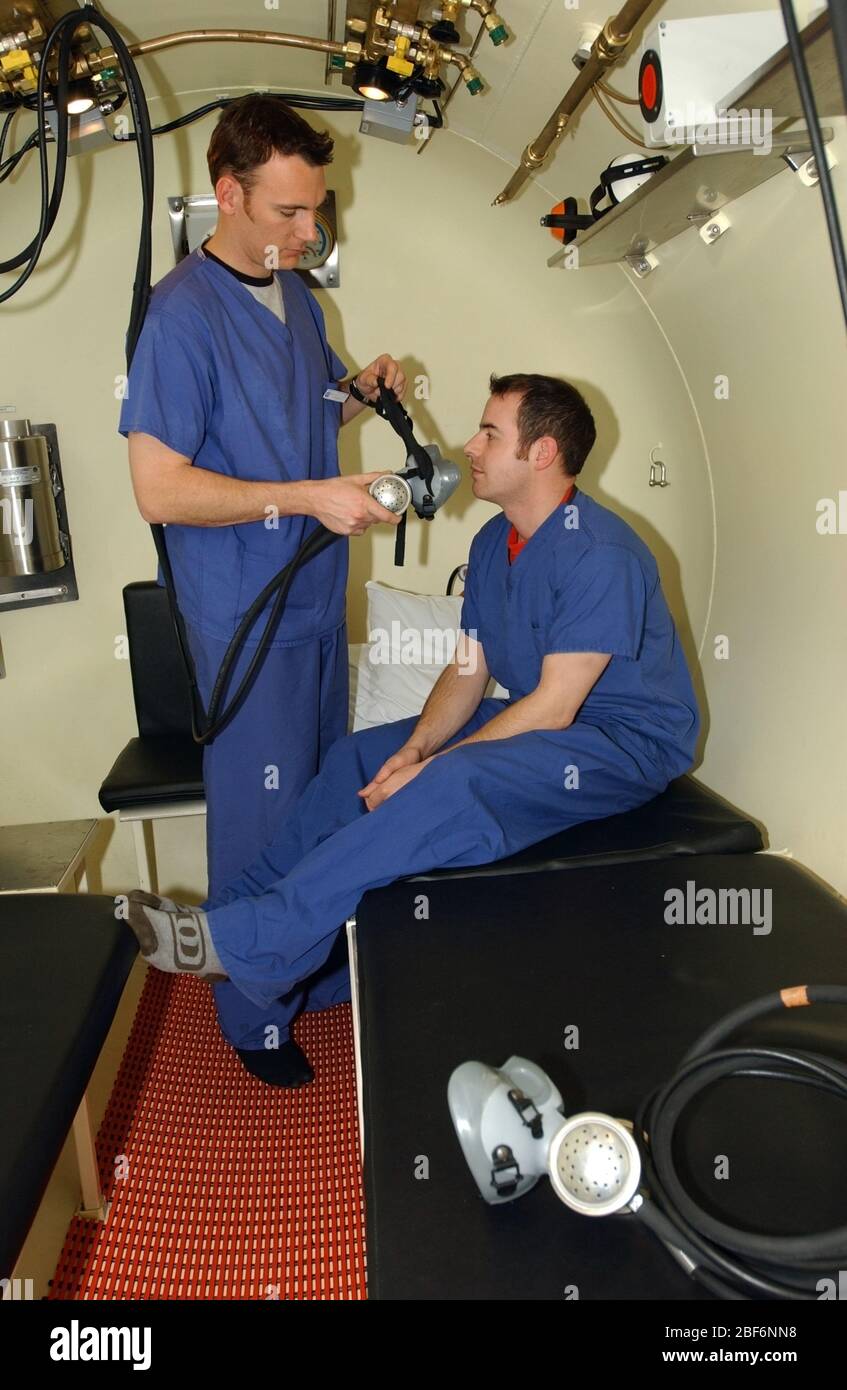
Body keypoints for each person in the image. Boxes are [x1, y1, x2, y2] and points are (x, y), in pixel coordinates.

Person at [126, 373, 702, 1053]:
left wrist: (437, 770)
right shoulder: (494, 542)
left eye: (491, 432)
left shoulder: (599, 553)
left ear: (542, 453)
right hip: (545, 722)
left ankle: (258, 942)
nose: (470, 445)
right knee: (357, 757)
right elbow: (466, 670)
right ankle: (228, 919)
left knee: (455, 783)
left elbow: (553, 706)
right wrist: (415, 751)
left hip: (620, 743)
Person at [119, 94, 406, 1087]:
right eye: (287, 211)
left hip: (319, 598)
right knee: (261, 816)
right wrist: (303, 495)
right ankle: (251, 1014)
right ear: (225, 193)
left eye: (315, 209)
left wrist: (361, 389)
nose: (308, 231)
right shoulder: (181, 314)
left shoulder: (298, 297)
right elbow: (159, 486)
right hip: (246, 614)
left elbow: (311, 398)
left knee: (325, 799)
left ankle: (312, 973)